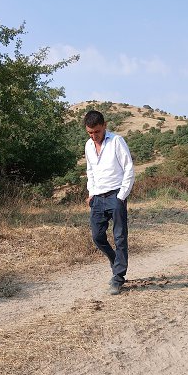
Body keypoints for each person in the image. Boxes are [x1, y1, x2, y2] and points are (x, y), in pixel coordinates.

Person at [84, 110, 135, 295]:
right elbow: (90, 170)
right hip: (97, 198)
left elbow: (129, 168)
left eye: (97, 131)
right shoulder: (88, 145)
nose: (94, 136)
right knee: (97, 236)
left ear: (104, 125)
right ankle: (116, 262)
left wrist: (121, 196)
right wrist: (91, 193)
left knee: (120, 236)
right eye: (90, 132)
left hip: (116, 195)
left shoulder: (116, 141)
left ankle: (118, 277)